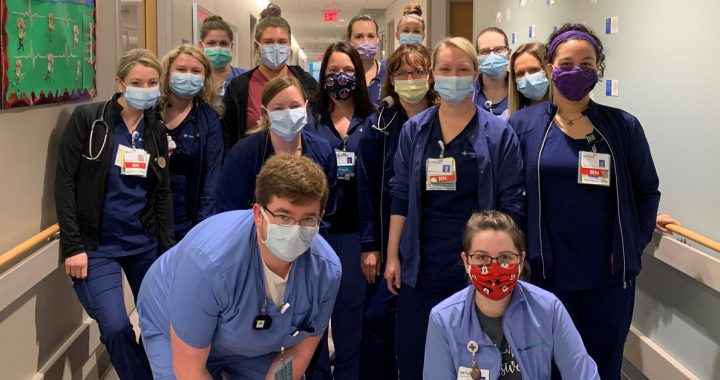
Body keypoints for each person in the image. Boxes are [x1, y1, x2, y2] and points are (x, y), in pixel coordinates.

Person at [507, 23, 661, 380]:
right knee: (546, 368)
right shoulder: (524, 125)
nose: (576, 71)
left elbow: (647, 190)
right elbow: (510, 196)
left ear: (599, 69)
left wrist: (634, 243)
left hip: (607, 278)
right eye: (567, 62)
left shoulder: (622, 126)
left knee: (601, 366)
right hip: (545, 274)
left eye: (587, 63)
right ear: (550, 68)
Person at [385, 36, 524, 380]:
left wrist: (503, 262)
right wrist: (392, 256)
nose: (454, 75)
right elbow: (400, 194)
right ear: (433, 74)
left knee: (476, 360)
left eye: (463, 69)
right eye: (446, 69)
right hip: (422, 264)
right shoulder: (415, 130)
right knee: (417, 356)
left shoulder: (498, 133)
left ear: (476, 73)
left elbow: (510, 205)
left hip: (478, 265)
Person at [137, 155, 342, 379]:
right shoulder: (208, 264)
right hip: (170, 322)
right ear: (258, 214)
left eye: (308, 220)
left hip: (247, 343)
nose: (295, 229)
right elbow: (190, 370)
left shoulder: (326, 272)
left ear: (320, 217)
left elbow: (300, 350)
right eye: (283, 216)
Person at [55, 48, 174, 380]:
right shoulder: (89, 120)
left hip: (143, 243)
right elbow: (65, 182)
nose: (145, 88)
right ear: (119, 82)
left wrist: (167, 250)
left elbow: (161, 193)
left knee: (162, 323)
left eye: (153, 82)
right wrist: (73, 245)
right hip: (97, 247)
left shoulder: (155, 130)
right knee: (117, 328)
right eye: (136, 81)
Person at [424, 210, 600, 379]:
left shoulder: (548, 308)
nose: (493, 267)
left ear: (521, 260)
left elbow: (582, 372)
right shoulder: (443, 319)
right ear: (466, 261)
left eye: (505, 257)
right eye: (482, 257)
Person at [356, 42, 436, 380]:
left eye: (418, 72)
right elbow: (367, 186)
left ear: (430, 76)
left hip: (434, 242)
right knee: (379, 323)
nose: (411, 79)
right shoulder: (380, 126)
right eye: (403, 73)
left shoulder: (447, 120)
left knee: (427, 327)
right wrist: (371, 245)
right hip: (390, 241)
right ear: (392, 80)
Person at [305, 41, 377, 380]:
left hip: (355, 237)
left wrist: (370, 244)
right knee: (313, 321)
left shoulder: (375, 120)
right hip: (315, 237)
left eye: (348, 71)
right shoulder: (310, 120)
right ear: (322, 77)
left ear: (359, 76)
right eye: (333, 72)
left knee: (350, 324)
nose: (340, 78)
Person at [216, 76, 336, 213]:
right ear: (265, 113)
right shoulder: (243, 154)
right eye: (279, 109)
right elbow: (228, 211)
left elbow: (328, 209)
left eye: (295, 106)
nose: (289, 114)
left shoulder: (323, 150)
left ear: (306, 106)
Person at [222, 3, 317, 150]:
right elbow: (228, 138)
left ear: (289, 46)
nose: (276, 47)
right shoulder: (238, 88)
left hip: (300, 163)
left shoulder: (306, 83)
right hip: (253, 165)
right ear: (256, 47)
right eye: (268, 42)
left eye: (282, 42)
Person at [157, 44, 223, 240]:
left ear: (205, 78)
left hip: (187, 222)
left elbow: (212, 178)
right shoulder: (149, 113)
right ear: (168, 73)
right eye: (181, 70)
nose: (188, 76)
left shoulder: (208, 120)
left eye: (196, 71)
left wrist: (202, 228)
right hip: (148, 221)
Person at [198, 15, 248, 106]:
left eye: (223, 43)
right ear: (201, 46)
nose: (218, 48)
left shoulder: (244, 76)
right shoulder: (195, 77)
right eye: (211, 43)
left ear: (231, 46)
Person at [347, 15, 387, 105]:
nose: (366, 41)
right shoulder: (344, 76)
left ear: (377, 39)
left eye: (371, 36)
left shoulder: (389, 72)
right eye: (359, 36)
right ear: (349, 41)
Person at [474, 27, 511, 118]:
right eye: (485, 51)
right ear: (477, 57)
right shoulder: (468, 94)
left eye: (498, 50)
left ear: (508, 54)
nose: (492, 56)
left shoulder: (521, 91)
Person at [507, 42, 551, 118]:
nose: (527, 78)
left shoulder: (567, 114)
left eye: (534, 70)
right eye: (520, 74)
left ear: (549, 70)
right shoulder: (513, 118)